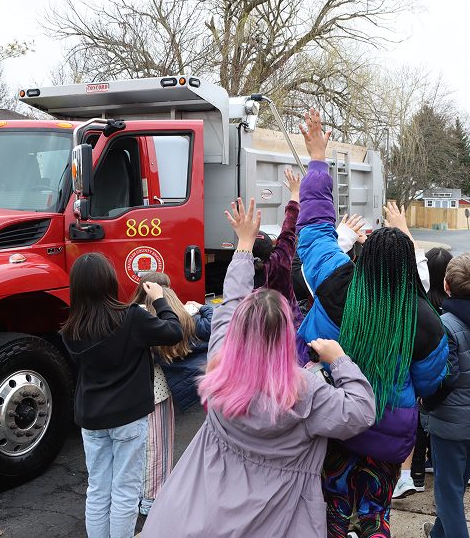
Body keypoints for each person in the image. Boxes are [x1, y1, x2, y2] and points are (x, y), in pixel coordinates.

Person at [139, 197, 376, 538]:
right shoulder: (305, 391)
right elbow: (361, 411)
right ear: (285, 336)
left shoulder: (219, 367)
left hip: (202, 511)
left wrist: (244, 245)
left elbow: (230, 303)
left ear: (237, 330)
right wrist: (339, 360)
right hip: (278, 518)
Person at [294, 108, 448, 538]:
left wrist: (318, 161)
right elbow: (432, 381)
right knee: (375, 516)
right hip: (388, 431)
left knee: (329, 512)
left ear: (359, 259)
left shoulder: (334, 279)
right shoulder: (424, 320)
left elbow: (313, 225)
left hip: (329, 420)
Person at [61, 253, 183, 538]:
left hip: (91, 417)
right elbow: (174, 331)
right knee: (126, 492)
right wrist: (161, 300)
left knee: (98, 489)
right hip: (129, 416)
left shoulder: (70, 329)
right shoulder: (132, 318)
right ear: (110, 281)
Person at [420, 253, 470, 538]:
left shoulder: (446, 325)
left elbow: (447, 377)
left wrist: (426, 403)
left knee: (448, 494)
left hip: (450, 421)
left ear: (446, 285)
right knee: (456, 486)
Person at [129, 273, 211, 516]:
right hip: (160, 393)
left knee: (134, 449)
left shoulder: (133, 316)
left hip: (130, 392)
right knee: (159, 447)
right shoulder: (181, 319)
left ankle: (135, 497)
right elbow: (217, 322)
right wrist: (200, 307)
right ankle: (153, 500)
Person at [394, 247, 453, 500]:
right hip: (442, 385)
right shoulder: (447, 311)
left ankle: (414, 475)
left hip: (412, 383)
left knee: (416, 426)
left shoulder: (420, 305)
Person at [253, 167, 304, 327]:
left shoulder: (240, 274)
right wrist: (295, 194)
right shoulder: (280, 261)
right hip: (288, 328)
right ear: (271, 249)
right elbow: (289, 228)